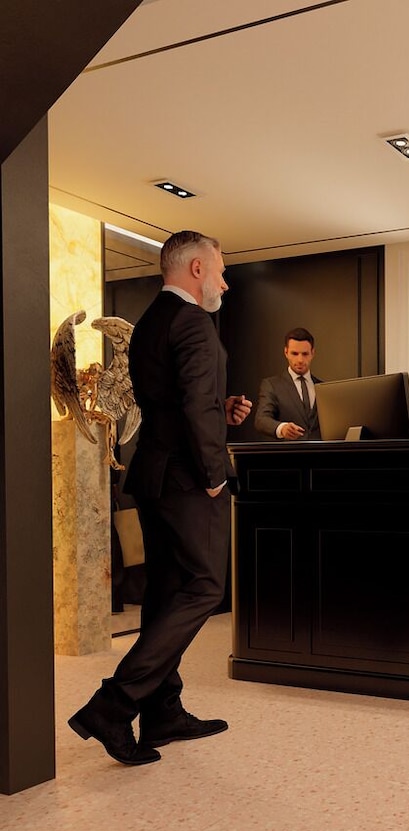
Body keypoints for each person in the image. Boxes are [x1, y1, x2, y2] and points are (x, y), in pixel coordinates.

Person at [68, 230, 253, 766]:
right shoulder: (193, 321)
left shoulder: (152, 319)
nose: (224, 282)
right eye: (220, 271)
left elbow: (176, 401)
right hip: (188, 481)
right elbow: (192, 407)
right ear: (196, 269)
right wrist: (215, 474)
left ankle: (163, 711)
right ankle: (113, 705)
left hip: (154, 475)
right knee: (205, 587)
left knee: (168, 592)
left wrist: (220, 407)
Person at [254, 328, 323, 440]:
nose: (300, 360)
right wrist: (282, 428)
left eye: (305, 354)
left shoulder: (322, 388)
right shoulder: (272, 385)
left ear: (312, 353)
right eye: (294, 353)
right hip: (288, 450)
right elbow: (261, 420)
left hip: (321, 450)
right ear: (286, 352)